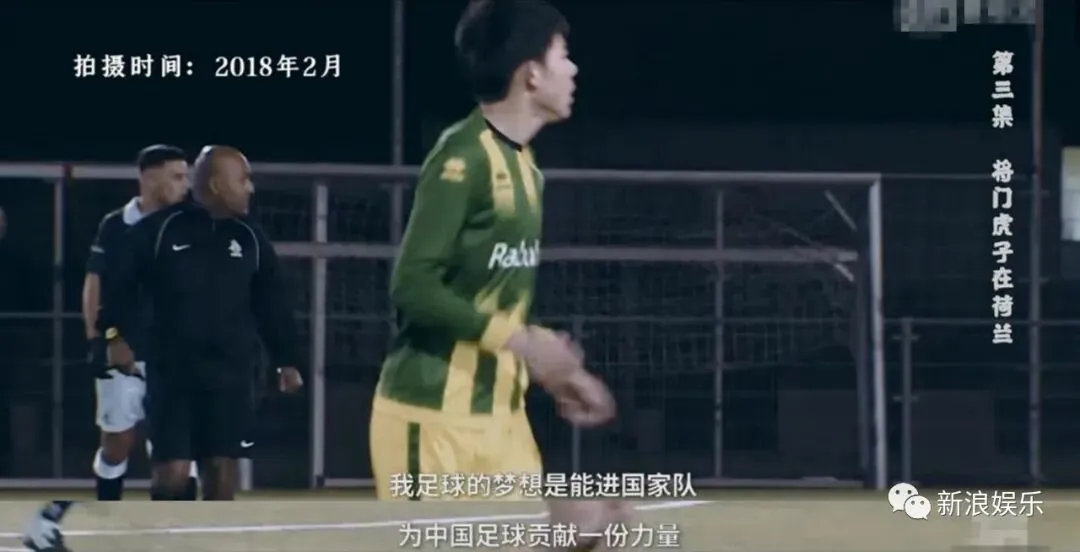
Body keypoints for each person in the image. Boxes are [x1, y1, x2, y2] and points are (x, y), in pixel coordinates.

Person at [370, 0, 621, 548]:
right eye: (563, 55)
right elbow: (412, 286)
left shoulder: (525, 168)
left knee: (606, 526)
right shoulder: (462, 157)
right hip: (433, 420)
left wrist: (555, 370)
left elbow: (490, 301)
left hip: (502, 421)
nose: (573, 68)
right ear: (531, 74)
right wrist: (523, 341)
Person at [97, 145, 303, 501]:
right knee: (173, 473)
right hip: (172, 375)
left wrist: (287, 359)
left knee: (221, 469)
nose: (251, 188)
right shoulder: (158, 230)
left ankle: (213, 532)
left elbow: (272, 302)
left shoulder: (251, 238)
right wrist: (115, 336)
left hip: (231, 376)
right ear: (217, 185)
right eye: (243, 180)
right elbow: (117, 288)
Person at [84, 145, 196, 501]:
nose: (185, 185)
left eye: (186, 177)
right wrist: (99, 339)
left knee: (178, 450)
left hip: (177, 356)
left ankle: (179, 524)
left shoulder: (191, 225)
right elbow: (95, 284)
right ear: (149, 178)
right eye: (177, 177)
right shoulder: (115, 226)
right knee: (117, 443)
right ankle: (108, 508)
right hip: (125, 350)